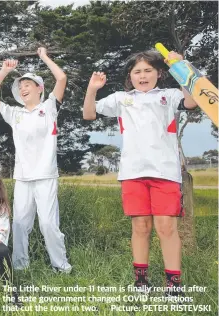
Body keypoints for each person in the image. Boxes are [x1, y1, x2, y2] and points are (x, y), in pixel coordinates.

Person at [83, 50, 197, 296]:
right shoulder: (121, 98)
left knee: (166, 227)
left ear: (159, 73)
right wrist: (93, 88)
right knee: (140, 227)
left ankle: (174, 286)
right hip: (132, 173)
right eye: (137, 72)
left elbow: (191, 102)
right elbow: (89, 114)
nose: (143, 76)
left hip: (165, 172)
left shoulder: (169, 95)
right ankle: (141, 282)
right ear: (130, 76)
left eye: (148, 70)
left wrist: (181, 67)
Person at [0, 48, 72, 273]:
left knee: (48, 224)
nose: (23, 88)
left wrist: (43, 57)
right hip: (23, 177)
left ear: (39, 88)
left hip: (46, 176)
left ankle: (60, 266)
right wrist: (4, 71)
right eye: (20, 86)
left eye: (27, 84)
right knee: (20, 224)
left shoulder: (49, 108)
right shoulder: (15, 114)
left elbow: (61, 78)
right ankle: (21, 266)